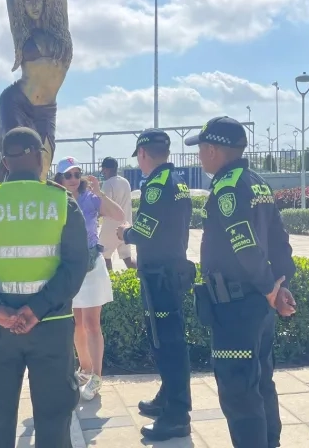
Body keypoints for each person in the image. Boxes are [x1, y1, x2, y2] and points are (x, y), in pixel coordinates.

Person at [0, 127, 89, 448]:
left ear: (4, 161)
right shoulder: (60, 202)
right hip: (52, 326)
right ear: (41, 158)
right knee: (54, 417)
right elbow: (76, 266)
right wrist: (37, 308)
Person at [185, 116, 297, 448]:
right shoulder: (256, 181)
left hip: (237, 307)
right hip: (258, 305)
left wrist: (269, 288)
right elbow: (279, 240)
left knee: (238, 391)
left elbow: (245, 245)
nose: (199, 156)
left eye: (201, 149)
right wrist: (280, 284)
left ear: (213, 149)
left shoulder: (227, 187)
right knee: (261, 383)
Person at [115, 129, 196, 442]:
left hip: (159, 275)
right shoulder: (179, 182)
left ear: (143, 154)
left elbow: (146, 230)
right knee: (170, 339)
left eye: (138, 156)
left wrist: (125, 233)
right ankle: (168, 396)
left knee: (167, 344)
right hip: (174, 270)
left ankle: (177, 415)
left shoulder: (154, 186)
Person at [0, 0, 73, 182]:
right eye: (28, 0)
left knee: (41, 172)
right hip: (16, 102)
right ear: (22, 5)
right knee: (13, 163)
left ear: (46, 0)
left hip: (46, 111)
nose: (33, 5)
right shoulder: (21, 33)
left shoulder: (60, 29)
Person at [53, 157, 126, 401]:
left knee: (92, 323)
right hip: (68, 266)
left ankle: (96, 376)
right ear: (60, 178)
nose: (73, 179)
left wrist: (100, 193)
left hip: (91, 265)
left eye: (76, 174)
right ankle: (84, 369)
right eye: (68, 175)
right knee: (76, 322)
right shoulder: (55, 201)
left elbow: (119, 214)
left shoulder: (90, 198)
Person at [98, 157, 136, 271]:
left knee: (105, 256)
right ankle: (141, 279)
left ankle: (111, 284)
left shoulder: (107, 184)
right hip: (126, 226)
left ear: (106, 169)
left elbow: (105, 206)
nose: (103, 172)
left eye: (103, 170)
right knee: (128, 258)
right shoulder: (125, 182)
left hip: (111, 228)